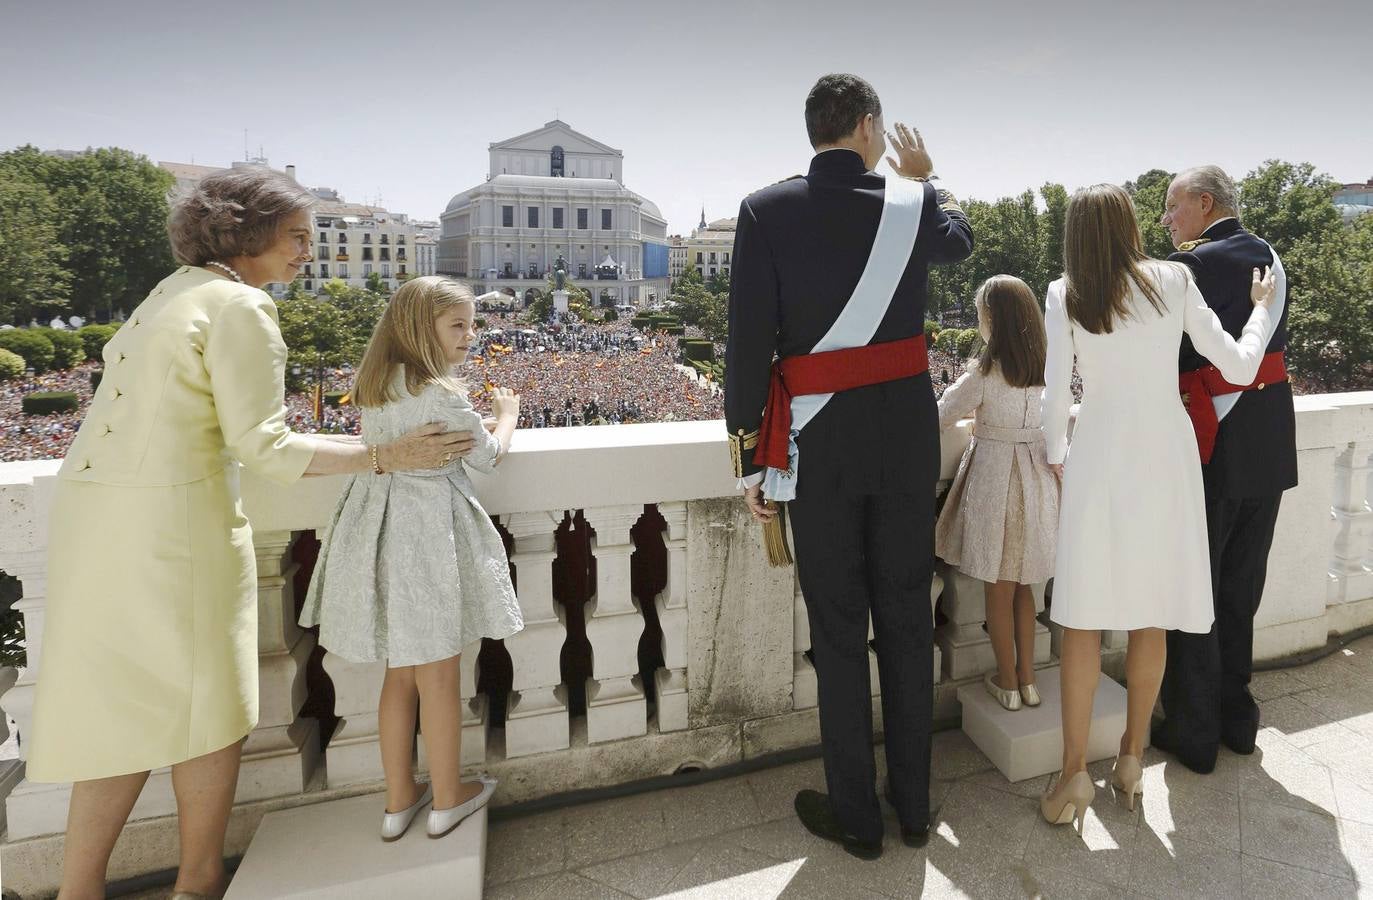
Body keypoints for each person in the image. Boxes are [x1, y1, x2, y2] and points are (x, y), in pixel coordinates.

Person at [26, 166, 472, 899]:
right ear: (248, 233)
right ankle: (197, 882)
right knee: (209, 707)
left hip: (96, 519)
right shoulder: (240, 307)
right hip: (173, 526)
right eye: (297, 236)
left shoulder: (166, 295)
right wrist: (386, 455)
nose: (307, 251)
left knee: (118, 710)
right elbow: (263, 446)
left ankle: (80, 889)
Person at [725, 73, 973, 859]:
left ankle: (856, 820)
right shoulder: (909, 200)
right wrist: (927, 178)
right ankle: (912, 806)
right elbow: (959, 244)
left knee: (838, 635)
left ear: (814, 130)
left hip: (816, 448)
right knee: (905, 619)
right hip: (903, 441)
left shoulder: (764, 210)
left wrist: (746, 457)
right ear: (868, 127)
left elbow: (746, 347)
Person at [1039, 183, 1276, 832]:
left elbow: (1053, 404)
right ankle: (1129, 760)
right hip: (1166, 457)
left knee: (1082, 621)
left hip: (1098, 457)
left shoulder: (1065, 294)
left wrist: (1058, 457)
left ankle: (1069, 778)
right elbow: (1235, 364)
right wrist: (1258, 310)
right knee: (1151, 617)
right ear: (1127, 225)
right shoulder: (1171, 280)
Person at [300, 277, 523, 841]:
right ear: (424, 329)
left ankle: (399, 800)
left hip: (378, 532)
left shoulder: (376, 384)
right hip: (428, 540)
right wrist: (507, 414)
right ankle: (448, 798)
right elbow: (490, 459)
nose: (471, 335)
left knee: (399, 677)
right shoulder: (444, 395)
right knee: (440, 677)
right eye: (459, 325)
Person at [1152, 166, 1296, 774]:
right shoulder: (1268, 255)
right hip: (1268, 441)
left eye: (1172, 206)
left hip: (1214, 446)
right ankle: (1238, 721)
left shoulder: (1189, 267)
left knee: (1196, 591)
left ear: (1204, 203)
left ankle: (1194, 730)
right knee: (1241, 590)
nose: (1166, 220)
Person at [934, 275, 1058, 711]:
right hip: (1038, 476)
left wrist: (980, 424)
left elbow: (941, 415)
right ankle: (1028, 681)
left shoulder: (985, 372)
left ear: (992, 318)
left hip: (996, 479)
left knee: (998, 590)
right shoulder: (1048, 367)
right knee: (1027, 586)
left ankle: (1006, 683)